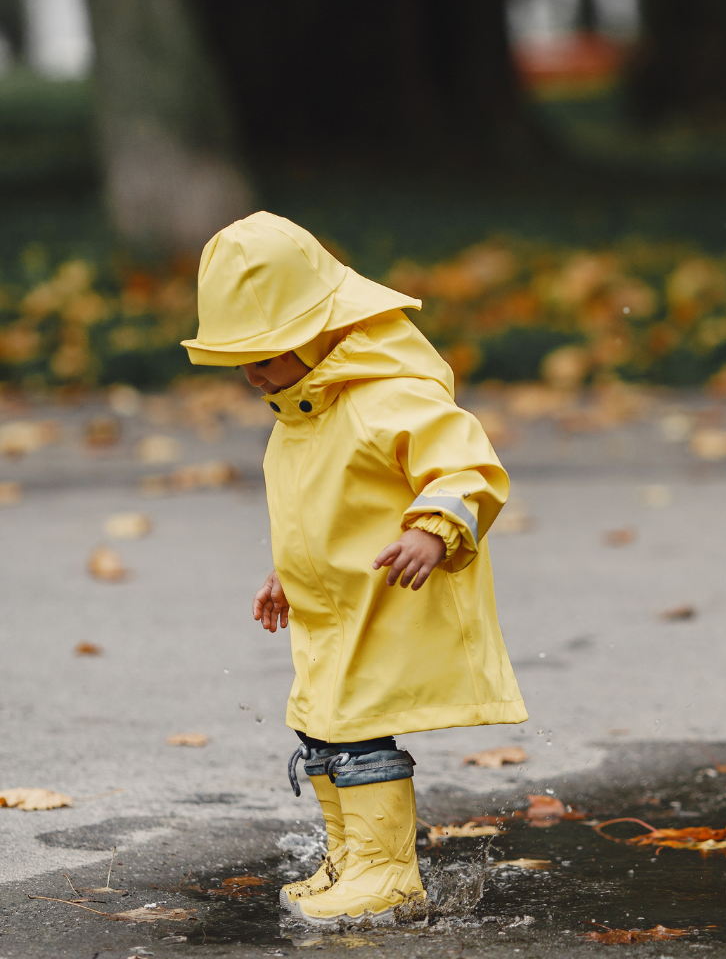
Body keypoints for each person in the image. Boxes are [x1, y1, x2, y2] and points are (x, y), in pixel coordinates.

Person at [181, 212, 527, 925]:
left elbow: (468, 467)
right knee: (321, 730)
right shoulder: (301, 412)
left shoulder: (386, 396)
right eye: (240, 361)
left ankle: (387, 871)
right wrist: (288, 573)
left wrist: (434, 530)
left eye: (266, 356)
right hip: (333, 612)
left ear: (321, 331)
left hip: (391, 600)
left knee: (359, 733)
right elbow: (318, 514)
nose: (252, 375)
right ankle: (348, 858)